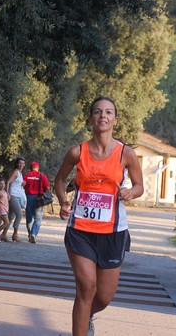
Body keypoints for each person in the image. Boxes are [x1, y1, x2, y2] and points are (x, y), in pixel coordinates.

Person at [54, 96, 144, 336]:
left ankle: (88, 316)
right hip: (80, 231)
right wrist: (63, 202)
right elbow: (60, 179)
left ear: (115, 119)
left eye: (108, 112)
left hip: (113, 232)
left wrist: (130, 192)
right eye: (97, 112)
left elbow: (139, 186)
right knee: (86, 287)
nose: (103, 116)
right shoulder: (77, 151)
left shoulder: (127, 153)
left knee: (103, 297)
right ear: (91, 118)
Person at [24, 161, 50, 244]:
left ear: (30, 167)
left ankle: (30, 234)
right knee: (38, 218)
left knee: (29, 217)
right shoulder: (42, 176)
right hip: (39, 198)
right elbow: (47, 187)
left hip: (28, 197)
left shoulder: (26, 176)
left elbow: (22, 185)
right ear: (38, 168)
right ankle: (34, 234)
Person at [2, 157, 27, 242]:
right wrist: (7, 193)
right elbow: (8, 182)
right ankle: (15, 234)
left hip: (17, 195)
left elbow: (16, 184)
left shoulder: (20, 173)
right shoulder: (16, 171)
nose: (21, 165)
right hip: (12, 195)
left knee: (10, 216)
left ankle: (4, 234)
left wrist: (23, 184)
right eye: (20, 163)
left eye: (23, 163)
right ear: (17, 164)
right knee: (19, 214)